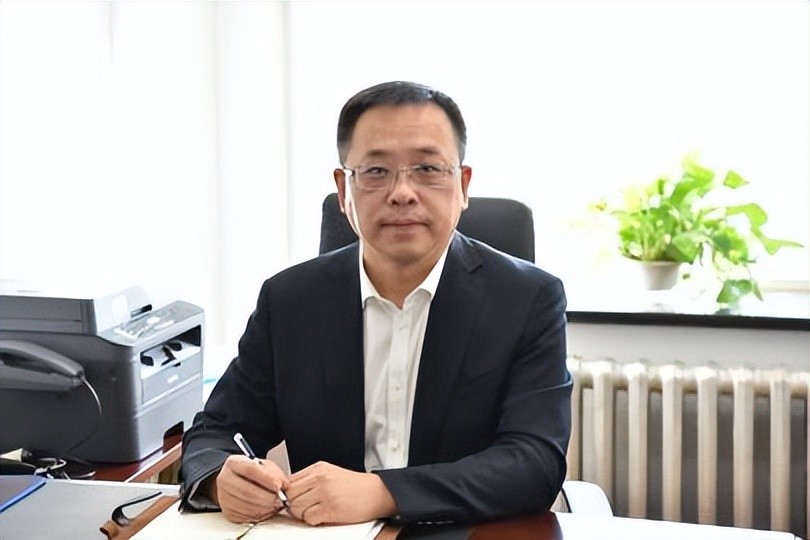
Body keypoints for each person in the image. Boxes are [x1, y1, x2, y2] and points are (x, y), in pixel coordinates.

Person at [180, 81, 572, 526]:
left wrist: (384, 493)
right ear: (343, 189)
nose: (402, 192)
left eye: (428, 168)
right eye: (376, 171)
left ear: (462, 185)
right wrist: (220, 479)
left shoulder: (527, 299)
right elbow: (215, 432)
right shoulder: (289, 301)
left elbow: (534, 462)